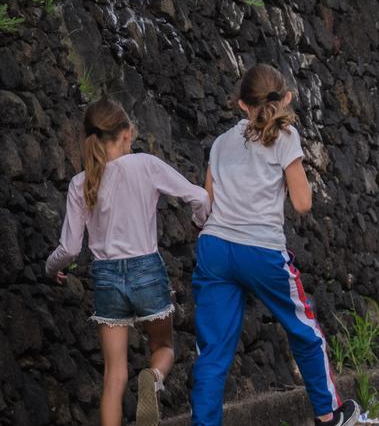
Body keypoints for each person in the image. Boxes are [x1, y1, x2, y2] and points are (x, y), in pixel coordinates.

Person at [189, 64, 360, 426]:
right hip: (261, 250)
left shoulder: (220, 143)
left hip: (215, 247)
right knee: (304, 329)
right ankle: (328, 416)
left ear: (241, 105)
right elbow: (302, 203)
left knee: (213, 352)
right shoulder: (286, 137)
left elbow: (203, 207)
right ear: (286, 98)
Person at [45, 99, 210, 426]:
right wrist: (200, 222)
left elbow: (68, 247)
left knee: (113, 376)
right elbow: (200, 197)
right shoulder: (145, 164)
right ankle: (152, 376)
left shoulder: (80, 183)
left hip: (106, 277)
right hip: (146, 269)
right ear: (123, 134)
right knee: (163, 346)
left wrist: (51, 269)